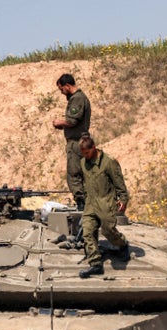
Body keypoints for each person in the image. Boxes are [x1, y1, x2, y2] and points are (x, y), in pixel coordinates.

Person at [77, 134, 130, 279]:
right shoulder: (83, 163)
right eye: (82, 153)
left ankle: (123, 244)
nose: (85, 156)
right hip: (90, 204)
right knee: (87, 232)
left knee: (108, 230)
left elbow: (119, 183)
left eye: (87, 153)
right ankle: (95, 264)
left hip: (106, 202)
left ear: (93, 148)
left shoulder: (109, 162)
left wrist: (123, 200)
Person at [52, 73, 91, 210]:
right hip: (80, 141)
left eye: (62, 89)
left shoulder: (77, 99)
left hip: (77, 142)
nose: (62, 93)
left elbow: (73, 120)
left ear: (67, 86)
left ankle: (82, 203)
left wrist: (60, 122)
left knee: (74, 174)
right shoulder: (76, 98)